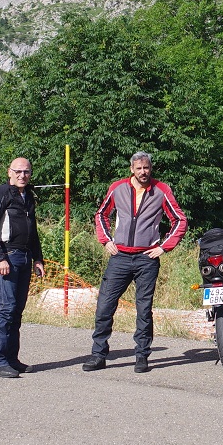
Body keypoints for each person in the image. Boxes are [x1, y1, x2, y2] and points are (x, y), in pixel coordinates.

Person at [83, 151, 187, 373]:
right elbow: (101, 214)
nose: (143, 172)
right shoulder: (117, 188)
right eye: (138, 168)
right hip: (119, 257)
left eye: (146, 168)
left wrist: (164, 247)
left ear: (151, 168)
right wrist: (106, 240)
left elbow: (179, 220)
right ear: (131, 169)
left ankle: (142, 356)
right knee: (104, 306)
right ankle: (98, 355)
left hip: (147, 259)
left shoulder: (161, 190)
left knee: (143, 309)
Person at [0, 157, 45, 379]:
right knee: (6, 309)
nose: (22, 175)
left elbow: (33, 230)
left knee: (16, 311)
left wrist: (38, 258)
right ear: (9, 172)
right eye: (18, 171)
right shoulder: (1, 193)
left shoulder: (28, 196)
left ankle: (11, 359)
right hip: (8, 257)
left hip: (25, 257)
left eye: (26, 172)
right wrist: (0, 258)